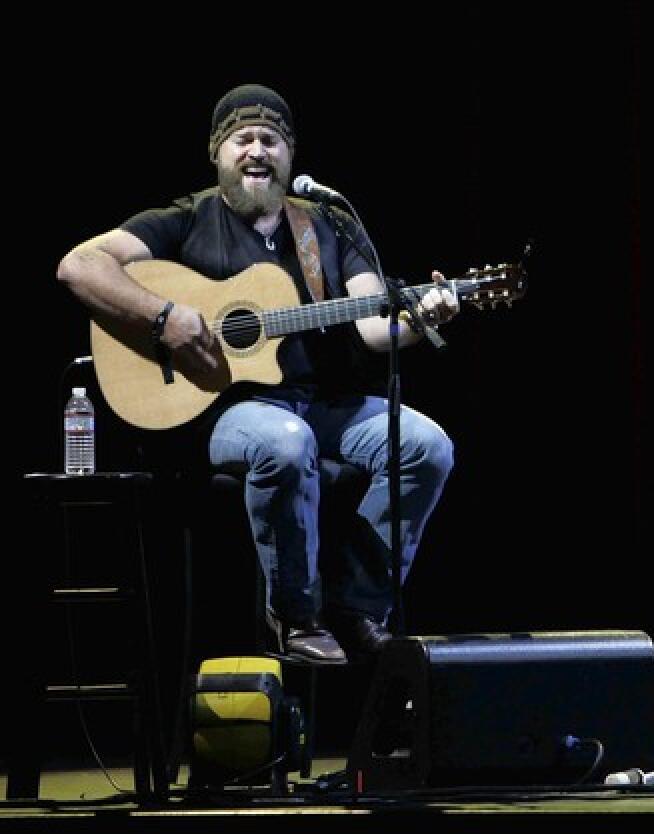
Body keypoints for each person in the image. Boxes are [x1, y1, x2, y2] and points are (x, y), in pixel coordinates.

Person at [57, 83, 457, 661]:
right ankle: (294, 616)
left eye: (271, 140)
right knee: (284, 442)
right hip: (227, 413)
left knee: (427, 445)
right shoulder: (185, 220)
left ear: (289, 155)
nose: (257, 151)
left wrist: (422, 317)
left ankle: (358, 608)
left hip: (322, 407)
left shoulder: (328, 224)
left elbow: (377, 326)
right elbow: (79, 265)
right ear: (217, 153)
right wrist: (165, 316)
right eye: (242, 139)